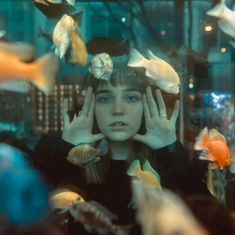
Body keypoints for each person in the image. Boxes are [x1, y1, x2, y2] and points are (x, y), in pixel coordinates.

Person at [32, 55, 209, 234]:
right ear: (90, 105)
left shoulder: (165, 164)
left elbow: (208, 216)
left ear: (147, 104)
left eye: (131, 98)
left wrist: (170, 150)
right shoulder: (71, 161)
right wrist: (65, 146)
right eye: (105, 98)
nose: (118, 110)